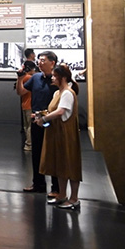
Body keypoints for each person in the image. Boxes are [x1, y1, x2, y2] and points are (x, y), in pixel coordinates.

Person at [34, 64, 82, 210]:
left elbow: (61, 111)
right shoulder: (57, 93)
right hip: (56, 134)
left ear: (63, 78)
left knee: (70, 164)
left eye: (55, 76)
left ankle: (74, 199)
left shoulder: (67, 93)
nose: (52, 78)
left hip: (66, 134)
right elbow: (53, 110)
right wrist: (41, 115)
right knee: (60, 165)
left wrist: (44, 119)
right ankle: (62, 195)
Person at [20, 51, 60, 196]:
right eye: (39, 60)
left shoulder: (57, 80)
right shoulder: (35, 77)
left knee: (54, 155)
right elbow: (21, 92)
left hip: (53, 122)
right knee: (36, 153)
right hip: (36, 121)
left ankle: (56, 188)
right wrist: (20, 78)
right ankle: (38, 184)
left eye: (43, 60)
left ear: (52, 63)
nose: (39, 63)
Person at [17, 60, 37, 152]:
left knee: (26, 126)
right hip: (30, 104)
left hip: (24, 104)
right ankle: (29, 143)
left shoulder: (22, 77)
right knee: (30, 126)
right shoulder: (29, 78)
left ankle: (27, 143)